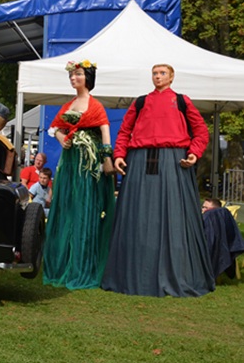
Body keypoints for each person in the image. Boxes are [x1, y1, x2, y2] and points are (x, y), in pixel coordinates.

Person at [102, 63, 214, 297]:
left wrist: (194, 152)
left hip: (174, 162)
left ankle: (178, 272)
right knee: (138, 217)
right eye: (155, 73)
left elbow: (201, 131)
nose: (158, 76)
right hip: (139, 161)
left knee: (174, 216)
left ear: (171, 77)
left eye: (162, 73)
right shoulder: (140, 101)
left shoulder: (182, 100)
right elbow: (124, 131)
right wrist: (120, 154)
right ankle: (132, 274)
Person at [43, 60, 116, 290]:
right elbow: (54, 128)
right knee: (67, 208)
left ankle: (83, 266)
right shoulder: (68, 105)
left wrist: (106, 159)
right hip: (70, 163)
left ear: (88, 77)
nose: (74, 78)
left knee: (85, 208)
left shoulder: (95, 106)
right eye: (72, 75)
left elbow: (105, 131)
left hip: (87, 163)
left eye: (78, 75)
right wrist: (62, 138)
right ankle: (63, 262)